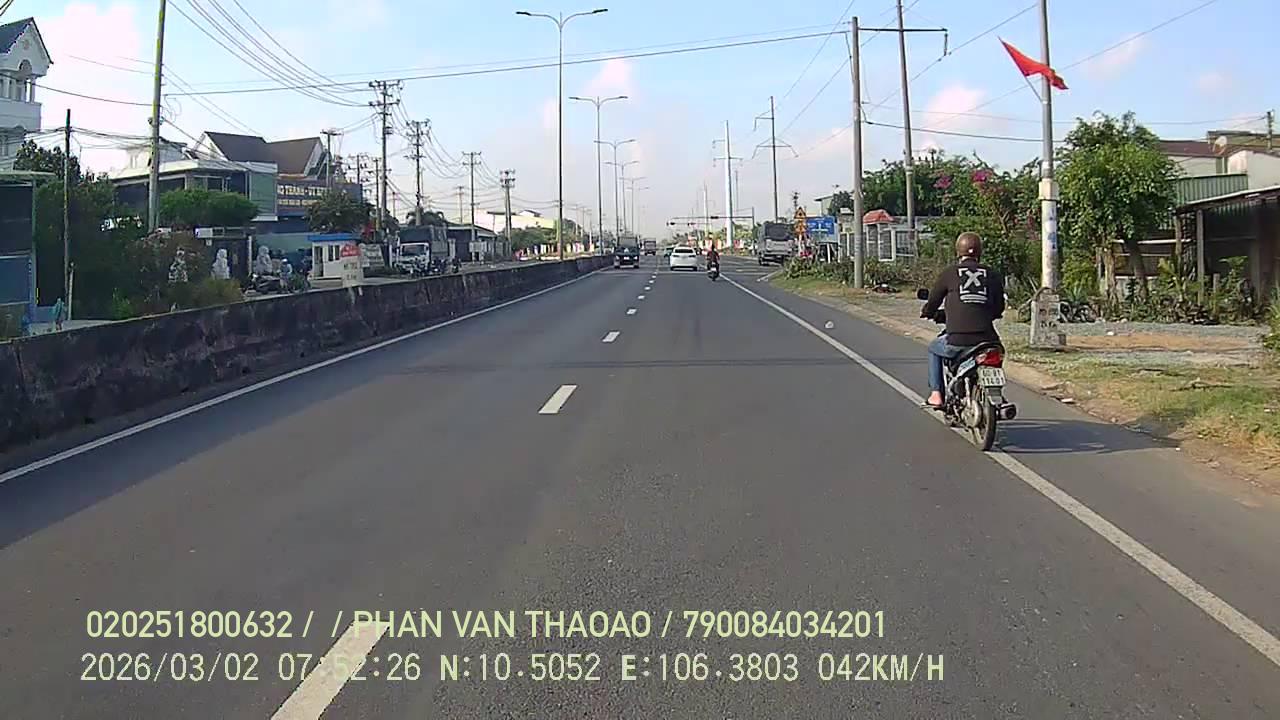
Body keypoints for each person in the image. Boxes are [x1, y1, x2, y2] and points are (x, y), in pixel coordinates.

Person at [920, 232, 1005, 409]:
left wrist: (928, 312)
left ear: (958, 251)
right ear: (980, 252)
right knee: (995, 354)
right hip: (988, 339)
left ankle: (936, 395)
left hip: (957, 340)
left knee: (934, 348)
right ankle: (996, 392)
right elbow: (999, 308)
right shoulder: (992, 274)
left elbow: (933, 302)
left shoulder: (949, 273)